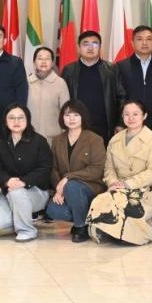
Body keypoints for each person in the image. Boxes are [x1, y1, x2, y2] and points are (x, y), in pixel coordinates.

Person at [86, 100, 152, 245]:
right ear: (122, 116)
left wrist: (127, 184)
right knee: (100, 201)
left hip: (144, 190)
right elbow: (109, 168)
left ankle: (137, 233)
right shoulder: (115, 140)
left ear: (144, 116)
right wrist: (113, 183)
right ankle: (113, 231)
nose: (131, 118)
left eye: (135, 114)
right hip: (118, 188)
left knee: (128, 210)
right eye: (126, 114)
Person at [0, 103, 52, 242]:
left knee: (17, 192)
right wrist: (7, 181)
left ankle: (27, 230)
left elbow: (45, 169)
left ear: (27, 120)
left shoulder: (39, 141)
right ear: (5, 121)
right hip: (10, 190)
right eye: (12, 118)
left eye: (20, 118)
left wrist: (24, 182)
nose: (16, 121)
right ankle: (23, 217)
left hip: (36, 192)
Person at [45, 100, 106, 243]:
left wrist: (68, 178)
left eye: (76, 115)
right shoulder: (57, 140)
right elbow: (53, 168)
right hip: (65, 190)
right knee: (53, 210)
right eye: (67, 115)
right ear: (62, 118)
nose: (71, 119)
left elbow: (97, 169)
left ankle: (81, 227)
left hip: (90, 188)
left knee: (72, 186)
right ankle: (84, 218)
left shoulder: (94, 139)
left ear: (83, 117)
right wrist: (59, 190)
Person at [115, 26, 152, 143]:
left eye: (149, 39)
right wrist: (120, 123)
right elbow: (118, 98)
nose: (145, 43)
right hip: (129, 123)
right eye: (140, 39)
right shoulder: (121, 66)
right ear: (132, 43)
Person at [61, 30, 119, 143]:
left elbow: (121, 97)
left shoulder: (112, 70)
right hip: (76, 126)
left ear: (100, 47)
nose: (90, 47)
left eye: (95, 43)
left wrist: (120, 123)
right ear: (79, 47)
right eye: (86, 44)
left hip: (104, 127)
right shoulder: (69, 70)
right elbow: (63, 100)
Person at [27, 46, 70, 144]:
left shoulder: (60, 83)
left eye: (47, 58)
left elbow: (66, 111)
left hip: (53, 139)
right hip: (29, 137)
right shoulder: (26, 82)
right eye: (40, 58)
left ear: (52, 63)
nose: (43, 61)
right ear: (34, 63)